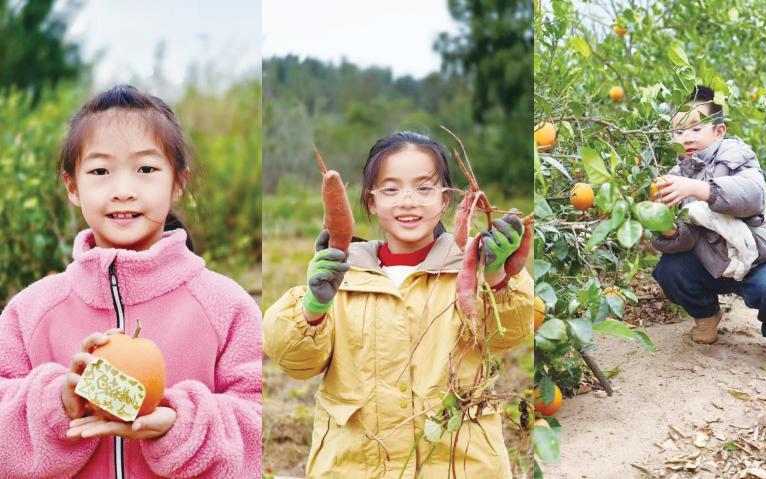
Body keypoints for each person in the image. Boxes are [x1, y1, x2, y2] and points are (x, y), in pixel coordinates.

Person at [0, 85, 262, 478]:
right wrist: (56, 406)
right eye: (101, 171)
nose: (123, 191)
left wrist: (181, 426)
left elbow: (259, 426)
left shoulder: (226, 306)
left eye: (146, 170)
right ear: (72, 186)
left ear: (178, 183)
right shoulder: (30, 312)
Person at [264, 131, 533, 478]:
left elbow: (508, 334)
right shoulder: (342, 278)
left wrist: (496, 274)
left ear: (445, 200)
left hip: (460, 466)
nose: (408, 201)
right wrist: (314, 307)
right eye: (391, 189)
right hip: (355, 467)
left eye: (424, 188)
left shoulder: (472, 271)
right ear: (371, 201)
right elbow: (295, 363)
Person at [651, 85, 766, 345]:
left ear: (719, 131)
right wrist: (665, 226)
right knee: (669, 270)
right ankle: (706, 316)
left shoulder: (735, 154)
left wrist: (701, 189)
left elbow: (753, 195)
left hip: (754, 261)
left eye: (696, 128)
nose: (687, 137)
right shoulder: (675, 175)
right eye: (679, 130)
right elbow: (687, 239)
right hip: (711, 264)